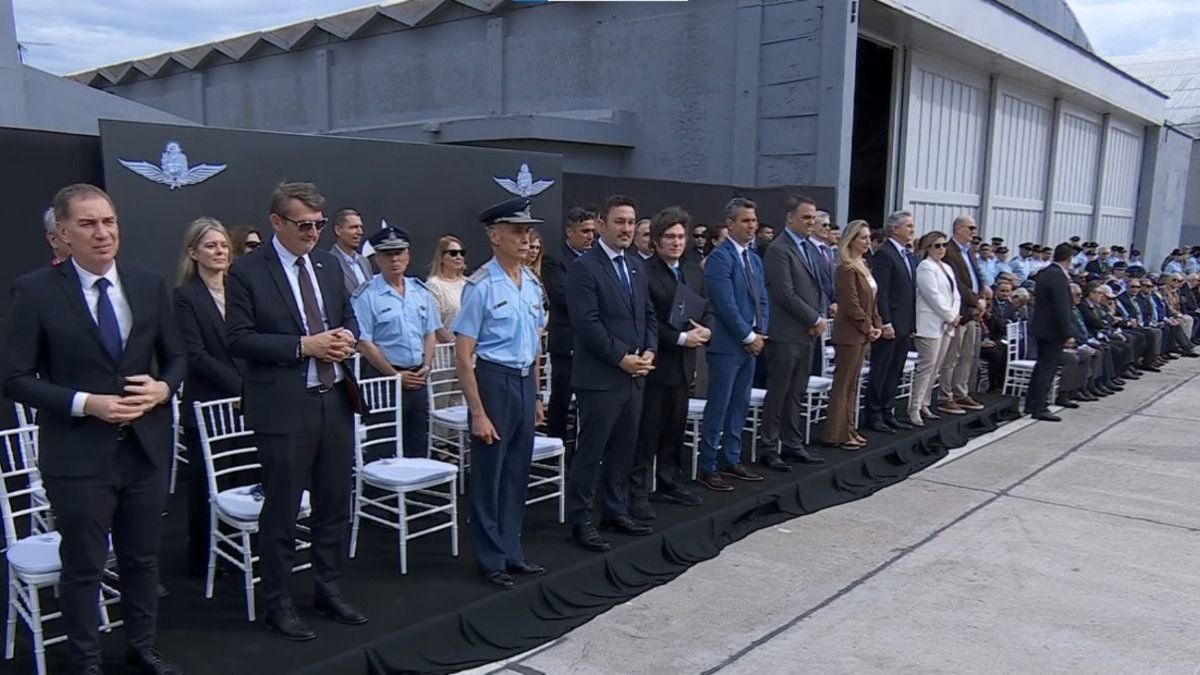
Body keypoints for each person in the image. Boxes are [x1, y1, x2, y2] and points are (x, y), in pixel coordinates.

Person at [3, 183, 187, 675]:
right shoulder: (36, 291)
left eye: (109, 222)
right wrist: (87, 404)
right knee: (84, 568)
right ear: (62, 234)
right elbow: (13, 378)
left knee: (142, 560)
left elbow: (177, 356)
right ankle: (85, 661)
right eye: (87, 224)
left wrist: (163, 389)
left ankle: (142, 647)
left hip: (145, 450)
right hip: (78, 457)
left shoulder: (147, 285)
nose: (102, 233)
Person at [226, 181, 366, 641]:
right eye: (303, 225)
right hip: (284, 408)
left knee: (332, 505)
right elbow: (238, 339)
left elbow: (348, 316)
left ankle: (328, 588)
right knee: (283, 512)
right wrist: (303, 346)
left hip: (334, 400)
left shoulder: (327, 264)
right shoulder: (248, 271)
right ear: (276, 222)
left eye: (319, 225)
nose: (312, 233)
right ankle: (278, 603)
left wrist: (344, 337)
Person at [451, 197, 547, 590]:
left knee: (516, 471)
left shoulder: (532, 283)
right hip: (493, 380)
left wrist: (538, 395)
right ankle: (490, 557)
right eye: (516, 231)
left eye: (527, 231)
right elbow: (462, 354)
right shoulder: (481, 286)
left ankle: (511, 550)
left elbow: (536, 344)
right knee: (490, 473)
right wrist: (477, 411)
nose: (525, 238)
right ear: (494, 237)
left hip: (523, 381)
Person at [566, 194, 657, 548]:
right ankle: (581, 519)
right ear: (601, 224)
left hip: (635, 375)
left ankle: (614, 511)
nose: (627, 229)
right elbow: (587, 324)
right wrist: (622, 357)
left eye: (632, 223)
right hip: (601, 378)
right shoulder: (584, 268)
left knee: (624, 449)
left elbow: (648, 315)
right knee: (592, 451)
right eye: (619, 222)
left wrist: (649, 350)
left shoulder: (635, 265)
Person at [173, 217, 243, 579]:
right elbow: (195, 355)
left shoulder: (240, 288)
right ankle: (203, 561)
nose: (220, 252)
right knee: (206, 486)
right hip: (207, 405)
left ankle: (240, 550)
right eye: (211, 246)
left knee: (242, 479)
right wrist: (240, 387)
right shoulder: (185, 297)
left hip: (246, 404)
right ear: (193, 252)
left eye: (223, 246)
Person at [628, 206, 711, 516]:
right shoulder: (644, 273)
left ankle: (668, 481)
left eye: (680, 236)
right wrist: (679, 339)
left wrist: (706, 330)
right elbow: (646, 320)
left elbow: (706, 307)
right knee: (647, 431)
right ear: (657, 241)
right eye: (669, 237)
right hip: (655, 364)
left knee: (674, 429)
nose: (676, 242)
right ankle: (636, 491)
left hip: (685, 364)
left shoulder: (693, 271)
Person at [696, 197, 768, 491]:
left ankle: (731, 458)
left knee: (740, 404)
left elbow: (762, 297)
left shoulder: (753, 258)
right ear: (730, 224)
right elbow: (724, 304)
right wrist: (748, 335)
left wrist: (762, 330)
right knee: (720, 405)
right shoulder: (720, 258)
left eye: (754, 221)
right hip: (728, 344)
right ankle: (708, 464)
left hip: (751, 341)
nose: (752, 226)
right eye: (746, 221)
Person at [352, 227, 441, 458]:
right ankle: (382, 494)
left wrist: (426, 366)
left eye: (399, 252)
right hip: (384, 379)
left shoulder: (419, 291)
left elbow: (430, 332)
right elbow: (364, 342)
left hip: (418, 375)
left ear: (408, 256)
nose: (394, 259)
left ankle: (417, 492)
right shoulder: (367, 295)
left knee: (418, 439)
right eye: (387, 254)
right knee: (384, 445)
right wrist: (394, 375)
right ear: (378, 259)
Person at [756, 194, 827, 469]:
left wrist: (818, 316)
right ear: (790, 217)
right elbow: (784, 293)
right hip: (785, 333)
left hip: (806, 333)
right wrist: (813, 317)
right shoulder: (779, 249)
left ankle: (792, 443)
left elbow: (817, 286)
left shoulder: (809, 248)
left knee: (796, 391)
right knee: (779, 392)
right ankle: (769, 447)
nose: (811, 223)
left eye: (813, 218)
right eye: (806, 217)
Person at [540, 206, 598, 441]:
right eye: (584, 231)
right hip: (567, 342)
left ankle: (582, 445)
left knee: (590, 398)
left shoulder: (597, 259)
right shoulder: (555, 260)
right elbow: (563, 296)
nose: (590, 236)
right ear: (569, 232)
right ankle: (556, 444)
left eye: (593, 231)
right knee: (562, 398)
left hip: (593, 342)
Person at [823, 220, 882, 448]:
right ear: (851, 240)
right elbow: (851, 304)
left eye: (868, 237)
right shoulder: (845, 268)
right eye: (863, 238)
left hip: (863, 334)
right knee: (843, 384)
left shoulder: (863, 264)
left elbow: (872, 300)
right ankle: (836, 433)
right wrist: (868, 327)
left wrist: (876, 323)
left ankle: (848, 428)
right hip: (849, 334)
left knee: (854, 384)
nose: (868, 242)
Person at [864, 211, 917, 431]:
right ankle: (874, 414)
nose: (912, 230)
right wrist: (885, 322)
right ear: (895, 229)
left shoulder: (908, 255)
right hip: (890, 323)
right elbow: (882, 292)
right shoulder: (885, 254)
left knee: (895, 370)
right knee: (881, 369)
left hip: (904, 323)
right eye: (909, 226)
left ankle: (888, 410)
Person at [909, 231, 961, 427]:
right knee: (926, 366)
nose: (941, 249)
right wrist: (949, 316)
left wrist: (953, 316)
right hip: (930, 323)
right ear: (928, 248)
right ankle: (914, 407)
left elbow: (955, 294)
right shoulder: (925, 267)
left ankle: (925, 403)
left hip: (946, 324)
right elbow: (932, 295)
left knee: (937, 367)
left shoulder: (946, 267)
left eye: (944, 245)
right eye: (937, 245)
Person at [938, 215, 986, 415]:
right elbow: (957, 283)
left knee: (967, 355)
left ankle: (961, 391)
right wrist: (976, 300)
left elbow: (975, 277)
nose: (974, 232)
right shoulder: (949, 250)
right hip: (958, 312)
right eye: (971, 228)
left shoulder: (969, 252)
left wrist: (983, 294)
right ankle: (945, 394)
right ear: (958, 228)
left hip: (972, 313)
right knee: (952, 356)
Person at [1025, 243, 1076, 422]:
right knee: (1047, 369)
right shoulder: (1058, 277)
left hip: (1042, 327)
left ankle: (1032, 402)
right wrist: (1067, 333)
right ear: (1069, 258)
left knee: (1042, 367)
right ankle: (1039, 405)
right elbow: (1061, 307)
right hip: (1052, 330)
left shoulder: (1045, 273)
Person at [426, 235, 468, 343]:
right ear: (441, 257)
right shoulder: (434, 285)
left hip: (470, 349)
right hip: (444, 351)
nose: (458, 257)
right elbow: (434, 324)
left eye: (461, 253)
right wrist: (455, 343)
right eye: (453, 253)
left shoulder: (468, 283)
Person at [329, 208, 372, 296]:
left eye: (361, 227)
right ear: (338, 230)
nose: (360, 232)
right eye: (353, 227)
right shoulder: (329, 262)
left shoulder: (365, 261)